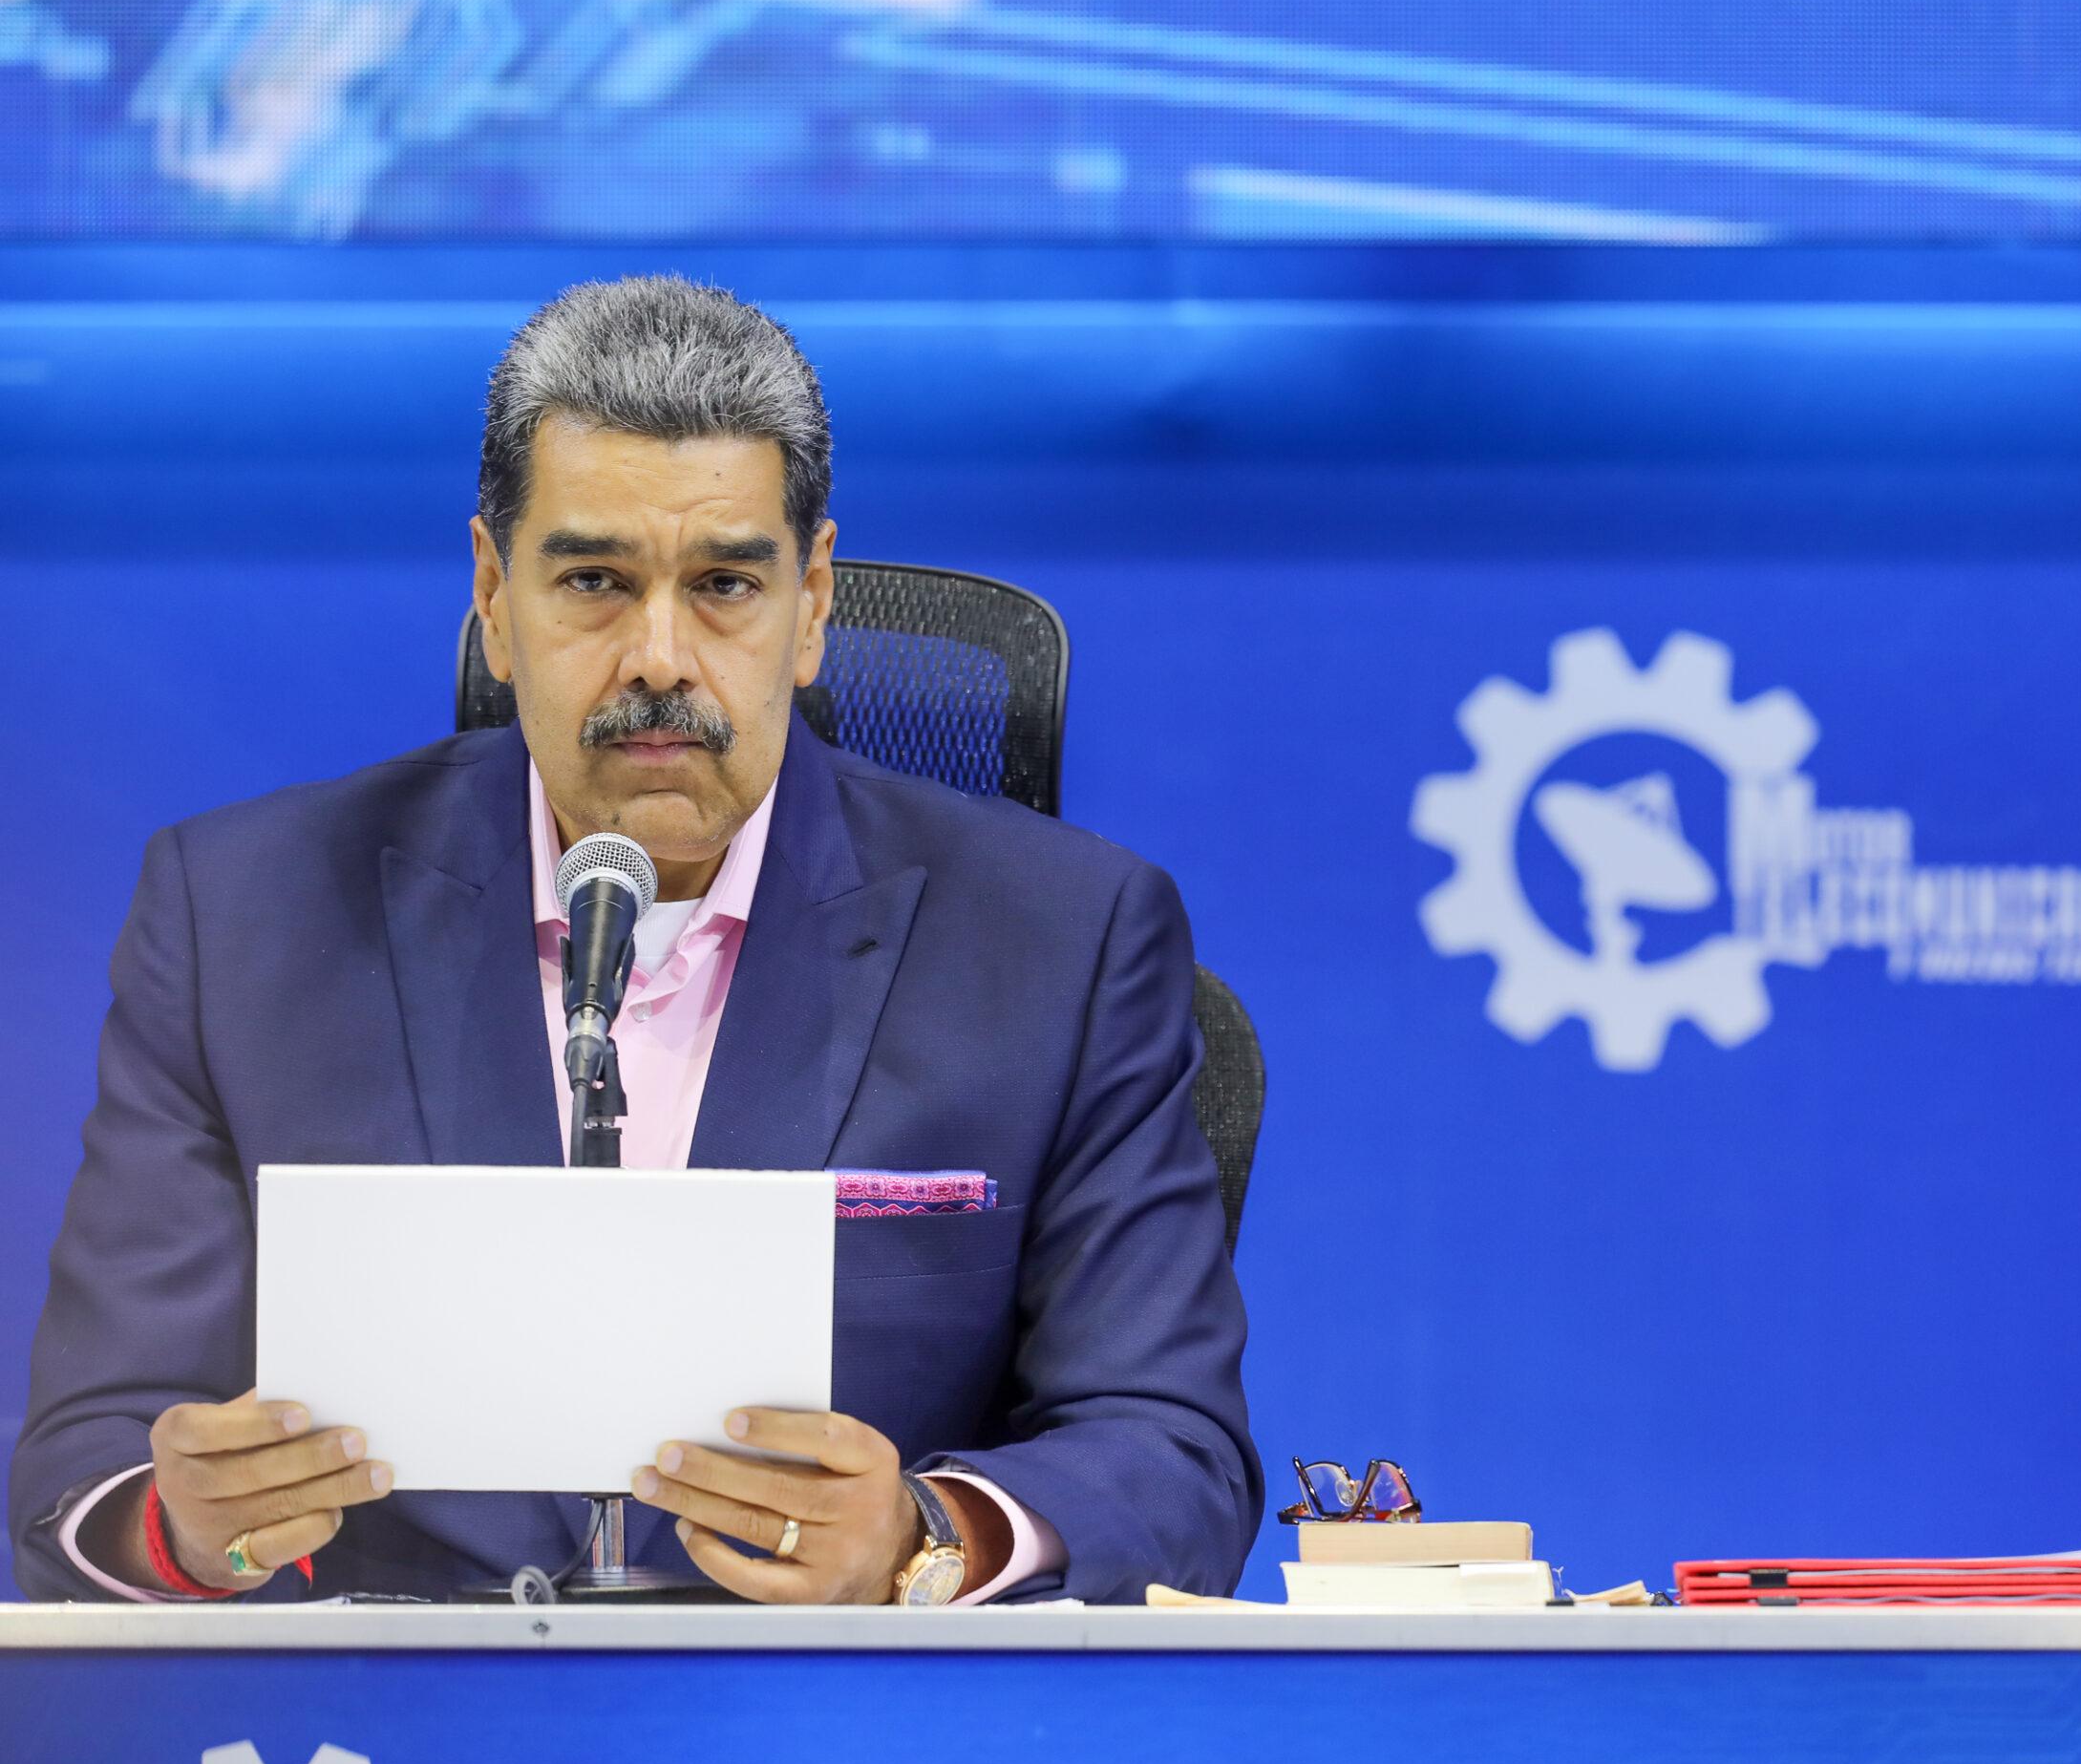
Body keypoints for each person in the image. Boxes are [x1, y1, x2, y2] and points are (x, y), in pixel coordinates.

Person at [8, 276, 1260, 1605]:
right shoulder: (243, 917)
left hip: (837, 1709)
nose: (659, 656)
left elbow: (1171, 1454)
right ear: (494, 593)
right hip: (399, 1705)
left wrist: (919, 1539)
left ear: (812, 602)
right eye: (595, 582)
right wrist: (184, 1524)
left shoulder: (1062, 944)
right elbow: (84, 1463)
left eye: (724, 585)